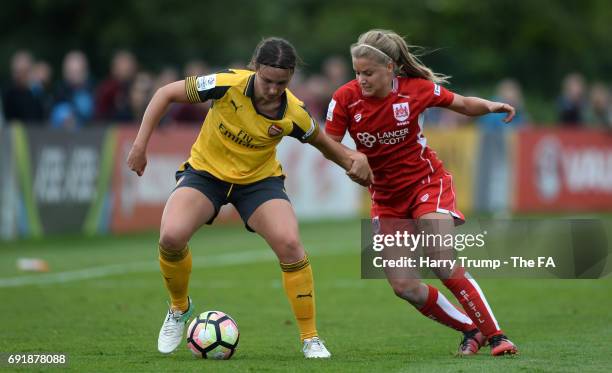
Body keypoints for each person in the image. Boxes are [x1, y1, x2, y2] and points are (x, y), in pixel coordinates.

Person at [126, 37, 373, 358]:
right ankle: (178, 308)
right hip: (206, 175)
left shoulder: (294, 113)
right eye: (267, 80)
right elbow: (165, 94)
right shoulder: (226, 84)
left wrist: (354, 161)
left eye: (281, 83)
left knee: (290, 244)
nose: (272, 89)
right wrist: (139, 145)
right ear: (254, 68)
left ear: (291, 77)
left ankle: (311, 338)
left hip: (258, 183)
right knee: (171, 237)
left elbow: (326, 145)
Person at [325, 29, 518, 356]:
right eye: (357, 72)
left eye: (368, 73)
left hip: (426, 184)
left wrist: (492, 106)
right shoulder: (344, 98)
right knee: (404, 286)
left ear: (391, 68)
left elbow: (463, 104)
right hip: (386, 199)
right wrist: (351, 159)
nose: (361, 80)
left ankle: (497, 336)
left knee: (441, 260)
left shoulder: (417, 90)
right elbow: (328, 143)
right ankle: (470, 329)